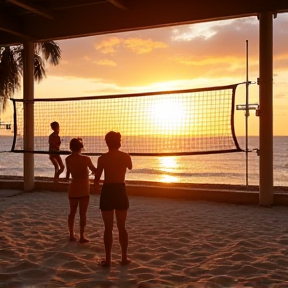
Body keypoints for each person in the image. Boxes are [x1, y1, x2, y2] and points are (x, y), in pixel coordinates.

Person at [94, 131, 132, 267]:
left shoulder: (102, 158)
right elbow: (130, 167)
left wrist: (96, 188)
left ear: (106, 142)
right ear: (119, 142)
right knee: (122, 227)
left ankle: (108, 260)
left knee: (108, 228)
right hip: (120, 190)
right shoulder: (125, 156)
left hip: (108, 190)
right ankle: (124, 257)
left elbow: (97, 179)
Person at [65, 138, 97, 243]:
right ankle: (82, 236)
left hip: (73, 187)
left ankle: (71, 235)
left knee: (72, 213)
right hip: (84, 188)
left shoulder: (67, 159)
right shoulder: (86, 159)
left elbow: (67, 175)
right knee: (83, 213)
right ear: (80, 147)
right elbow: (95, 170)